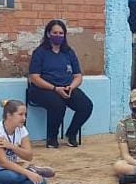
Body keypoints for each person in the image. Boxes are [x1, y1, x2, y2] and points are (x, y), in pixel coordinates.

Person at [26, 19, 93, 148]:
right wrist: (55, 88)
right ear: (48, 34)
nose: (58, 36)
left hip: (67, 87)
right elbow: (34, 77)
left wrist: (71, 87)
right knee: (58, 104)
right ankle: (52, 137)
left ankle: (71, 134)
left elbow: (78, 76)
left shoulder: (69, 52)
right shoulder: (40, 53)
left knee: (86, 105)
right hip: (43, 89)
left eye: (61, 33)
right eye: (55, 33)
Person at [0, 99, 54, 184]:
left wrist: (12, 147)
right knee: (13, 177)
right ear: (9, 115)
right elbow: (3, 163)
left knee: (41, 183)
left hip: (11, 171)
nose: (24, 118)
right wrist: (28, 173)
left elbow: (28, 156)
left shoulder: (21, 129)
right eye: (20, 114)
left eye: (25, 115)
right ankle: (32, 170)